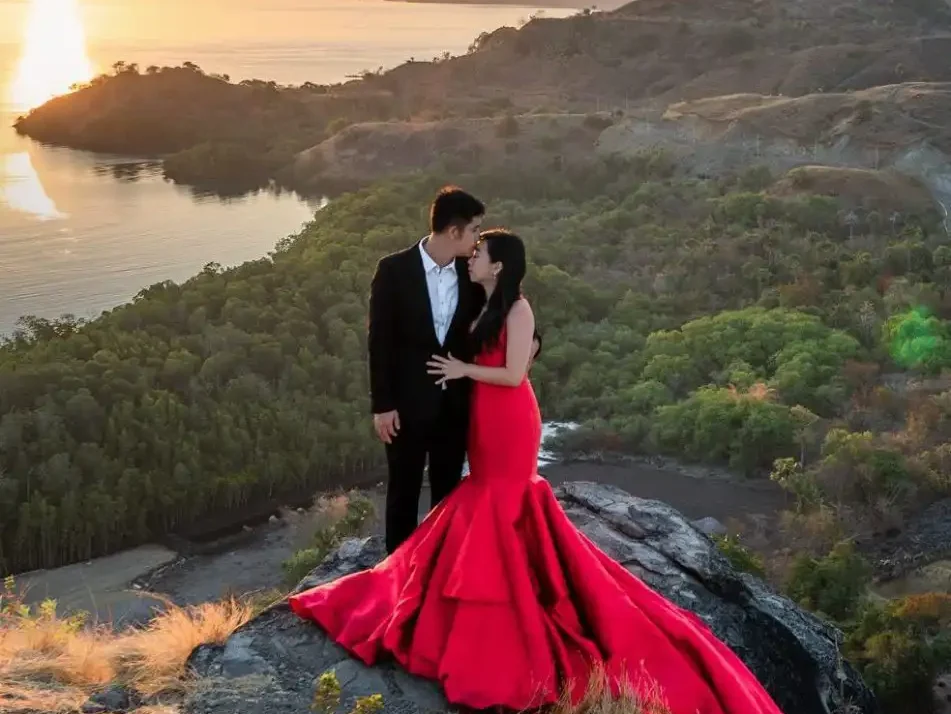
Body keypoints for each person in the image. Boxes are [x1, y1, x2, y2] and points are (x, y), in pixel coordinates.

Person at [290, 230, 784, 712]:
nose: (471, 257)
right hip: (482, 416)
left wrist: (465, 370)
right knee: (482, 490)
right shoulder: (481, 298)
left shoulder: (517, 308)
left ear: (499, 265)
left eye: (480, 252)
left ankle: (512, 598)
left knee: (502, 495)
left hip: (509, 415)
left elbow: (513, 374)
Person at [366, 186, 486, 554]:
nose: (478, 238)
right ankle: (398, 569)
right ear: (454, 231)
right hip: (405, 406)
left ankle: (440, 565)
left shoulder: (471, 273)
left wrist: (533, 342)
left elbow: (504, 307)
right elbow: (380, 341)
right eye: (475, 230)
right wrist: (383, 405)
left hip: (455, 405)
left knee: (448, 492)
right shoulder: (393, 270)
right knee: (403, 491)